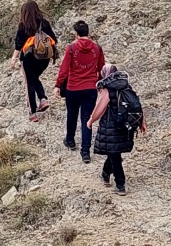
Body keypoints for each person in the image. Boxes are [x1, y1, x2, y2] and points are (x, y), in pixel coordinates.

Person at [55, 20, 106, 163]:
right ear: (88, 32)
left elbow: (64, 69)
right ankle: (85, 152)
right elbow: (101, 68)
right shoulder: (97, 48)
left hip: (73, 88)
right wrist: (100, 83)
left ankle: (70, 140)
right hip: (90, 88)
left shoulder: (71, 48)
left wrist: (58, 85)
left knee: (71, 114)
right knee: (87, 119)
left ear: (76, 34)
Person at [89, 64, 144, 196]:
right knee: (114, 152)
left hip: (111, 126)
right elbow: (136, 105)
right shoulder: (127, 86)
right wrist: (142, 122)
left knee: (114, 154)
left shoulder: (107, 89)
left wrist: (91, 120)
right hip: (126, 126)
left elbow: (100, 108)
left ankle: (120, 184)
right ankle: (105, 174)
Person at [10, 0, 59, 122]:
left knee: (29, 83)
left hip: (29, 59)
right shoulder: (44, 23)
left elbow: (18, 44)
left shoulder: (24, 25)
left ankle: (32, 113)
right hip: (44, 59)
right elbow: (54, 39)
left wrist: (13, 59)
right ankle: (43, 99)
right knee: (34, 78)